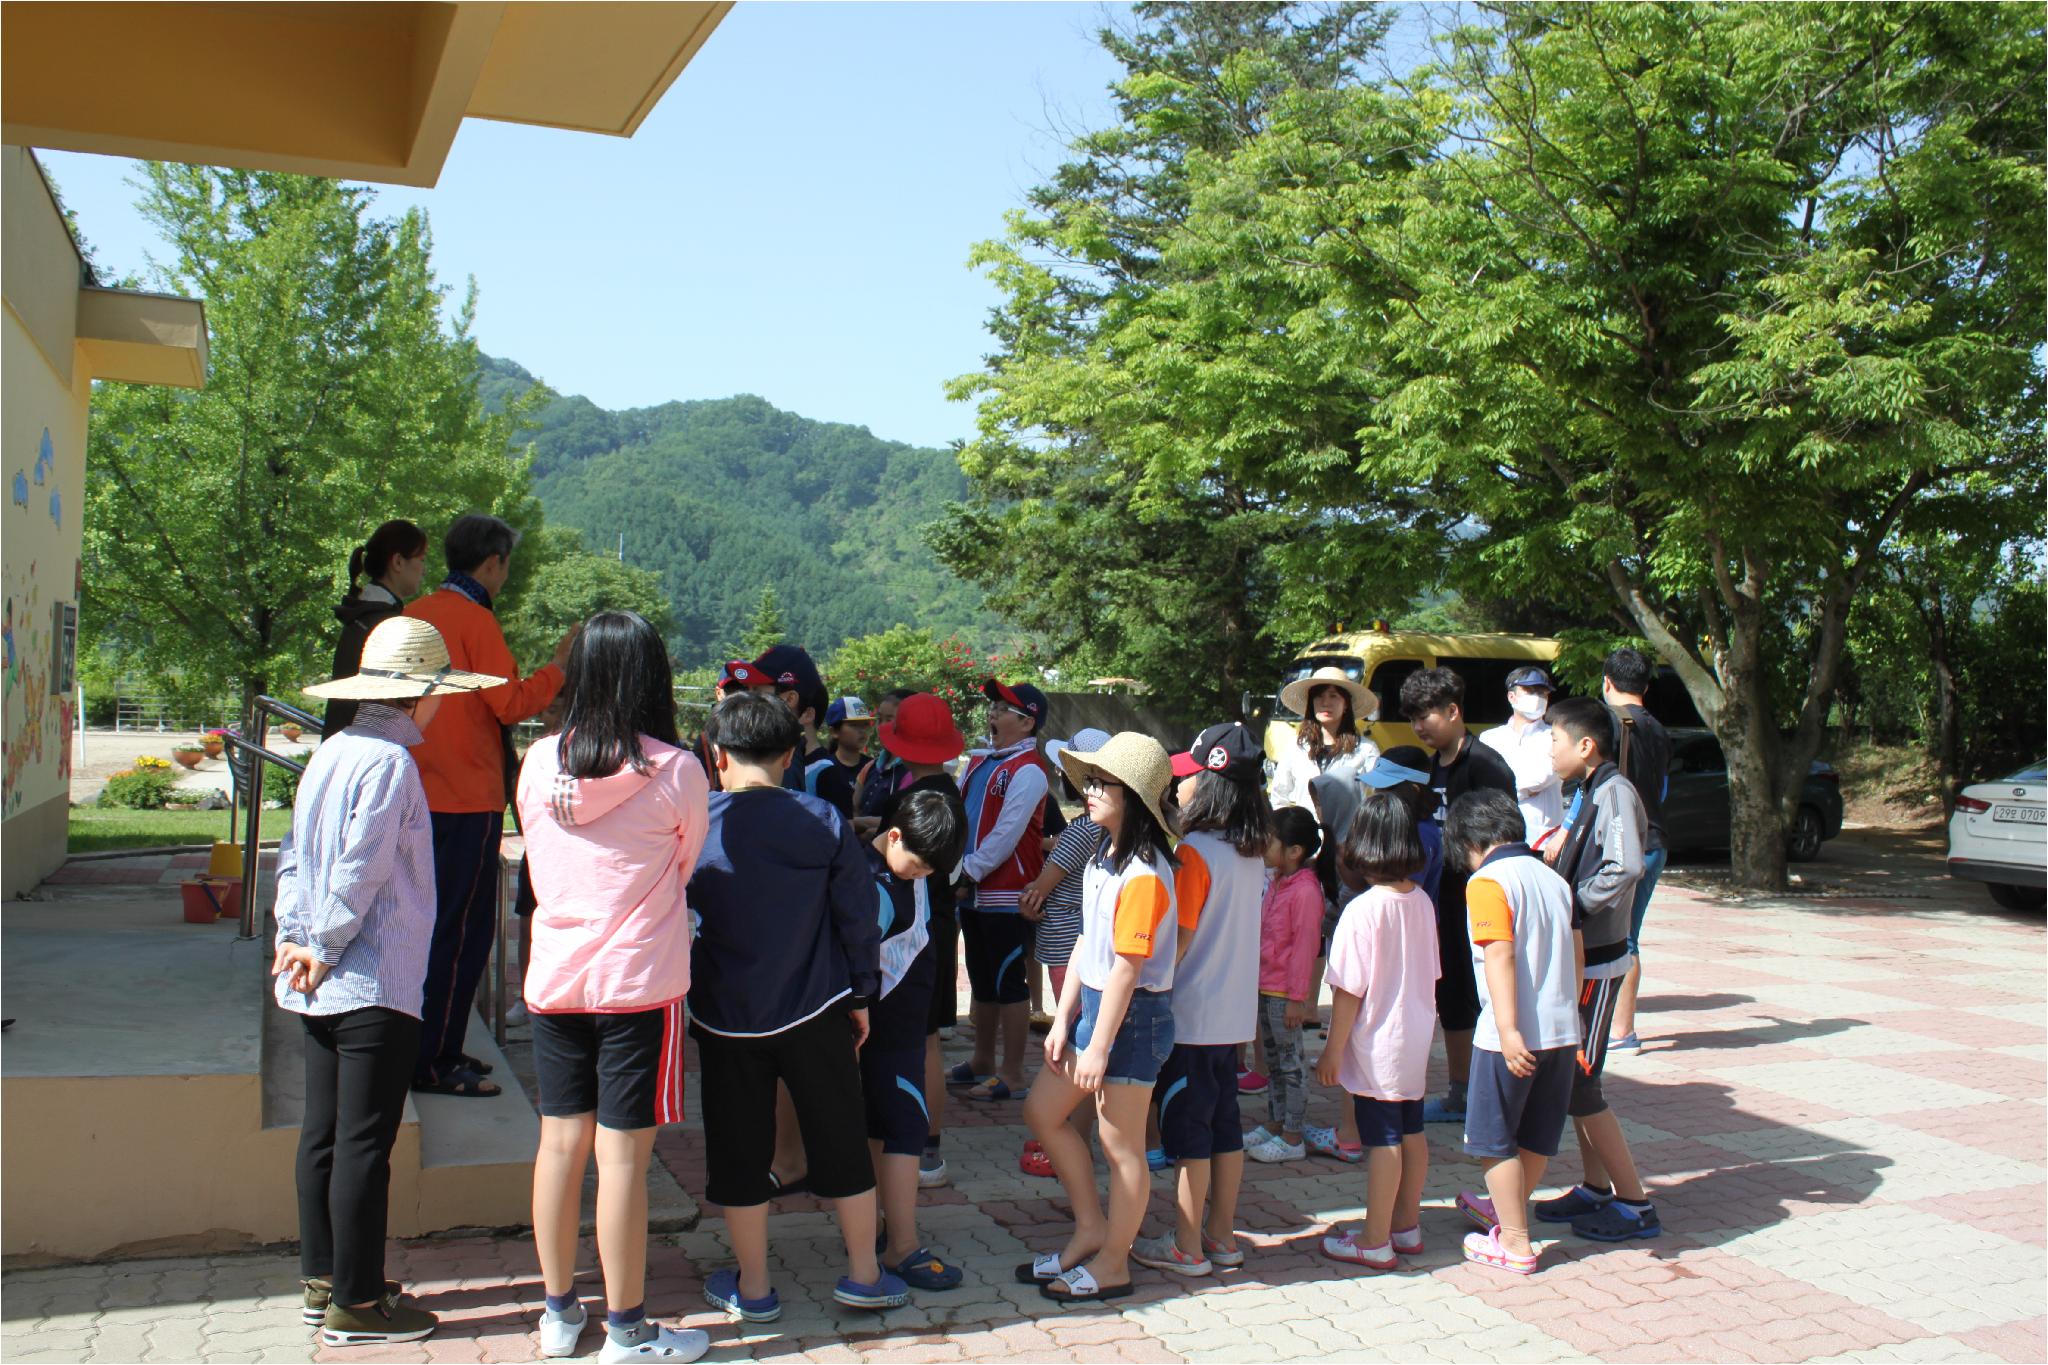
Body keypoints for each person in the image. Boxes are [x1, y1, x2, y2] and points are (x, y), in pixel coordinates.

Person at [283, 617, 506, 1346]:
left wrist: (295, 935)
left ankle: (326, 1280)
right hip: (372, 974)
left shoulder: (332, 752)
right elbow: (363, 864)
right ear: (423, 695)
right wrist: (322, 939)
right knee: (363, 1145)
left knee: (324, 1134)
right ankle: (356, 1301)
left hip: (320, 975)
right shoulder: (389, 764)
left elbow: (294, 856)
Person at [514, 612, 711, 1364]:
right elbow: (687, 862)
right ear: (652, 675)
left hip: (556, 976)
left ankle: (559, 1313)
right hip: (639, 982)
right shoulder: (678, 769)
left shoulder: (534, 764)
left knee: (559, 1143)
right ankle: (628, 1329)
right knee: (623, 1158)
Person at [684, 692, 907, 1320]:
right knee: (839, 1135)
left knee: (738, 1148)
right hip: (820, 1006)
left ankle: (753, 1289)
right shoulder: (824, 819)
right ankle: (864, 1274)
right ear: (790, 754)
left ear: (716, 755)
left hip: (724, 1015)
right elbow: (856, 918)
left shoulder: (699, 822)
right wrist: (861, 995)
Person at [407, 514, 575, 1097]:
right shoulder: (475, 620)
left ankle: (434, 1046)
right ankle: (435, 1058)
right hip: (466, 797)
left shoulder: (414, 613)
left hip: (414, 790)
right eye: (507, 565)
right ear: (492, 563)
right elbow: (512, 705)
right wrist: (560, 664)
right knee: (462, 931)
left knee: (424, 926)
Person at [1021, 731, 1178, 1304]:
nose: (1086, 791)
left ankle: (1114, 1261)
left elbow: (1126, 971)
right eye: (1087, 781)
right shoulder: (1100, 855)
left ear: (1133, 795)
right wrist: (1064, 1022)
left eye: (1100, 783)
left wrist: (1098, 1045)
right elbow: (1090, 946)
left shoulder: (1143, 872)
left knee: (1122, 1148)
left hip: (1132, 1021)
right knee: (1042, 1111)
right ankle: (1091, 1229)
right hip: (1099, 1013)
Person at [1133, 723, 1272, 1279]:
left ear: (1210, 784)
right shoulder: (1252, 851)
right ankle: (1221, 1234)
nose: (1181, 790)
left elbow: (1181, 940)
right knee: (1225, 1128)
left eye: (1188, 779)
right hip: (1233, 1017)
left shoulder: (1192, 852)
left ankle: (1186, 1244)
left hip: (1189, 1016)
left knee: (1188, 1136)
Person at [1533, 696, 1661, 1243]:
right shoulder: (1588, 790)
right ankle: (1595, 1188)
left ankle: (1636, 1205)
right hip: (1581, 955)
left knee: (1581, 1082)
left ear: (1585, 746)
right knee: (1579, 1082)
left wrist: (1573, 902)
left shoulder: (1614, 792)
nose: (1550, 750)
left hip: (1599, 960)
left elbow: (1626, 865)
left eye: (1555, 741)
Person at [1443, 790, 1580, 1276]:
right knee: (1538, 1135)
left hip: (1510, 1032)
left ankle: (1516, 1243)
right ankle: (1508, 1215)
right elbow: (1576, 952)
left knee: (1493, 1138)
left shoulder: (1487, 881)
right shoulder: (1554, 879)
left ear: (1467, 841)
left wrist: (1507, 1029)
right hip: (1562, 1031)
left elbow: (1497, 952)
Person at [1316, 792, 1440, 1271]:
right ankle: (1405, 1225)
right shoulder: (1422, 901)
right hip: (1413, 1037)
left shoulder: (1363, 910)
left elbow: (1348, 990)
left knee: (1383, 1138)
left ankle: (1373, 1237)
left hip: (1377, 1041)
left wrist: (1332, 1050)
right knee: (1412, 1129)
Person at [860, 788, 970, 1292]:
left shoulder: (901, 861)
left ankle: (883, 1234)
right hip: (882, 1030)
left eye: (933, 872)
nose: (923, 875)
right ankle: (902, 1246)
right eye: (920, 866)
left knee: (888, 1130)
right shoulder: (872, 883)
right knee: (903, 1128)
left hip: (903, 1025)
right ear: (895, 835)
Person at [1399, 666, 1517, 1124]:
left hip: (1482, 902)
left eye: (1426, 715)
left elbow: (1507, 837)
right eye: (1412, 718)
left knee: (1488, 993)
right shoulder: (1430, 767)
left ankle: (1492, 1094)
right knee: (1452, 996)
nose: (1419, 726)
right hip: (1442, 901)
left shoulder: (1486, 765)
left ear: (1454, 711)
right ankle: (1460, 1092)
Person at [867, 693, 969, 1190]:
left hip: (916, 932)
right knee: (921, 1038)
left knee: (921, 1039)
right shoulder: (945, 790)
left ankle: (924, 1143)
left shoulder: (914, 799)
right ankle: (919, 1140)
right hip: (934, 923)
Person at [948, 679, 1051, 1103]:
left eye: (1002, 709)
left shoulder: (1028, 770)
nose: (992, 715)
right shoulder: (979, 761)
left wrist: (967, 871)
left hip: (1005, 893)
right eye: (992, 707)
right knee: (982, 981)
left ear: (1027, 722)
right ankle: (982, 1060)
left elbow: (1007, 832)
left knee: (1010, 983)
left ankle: (1014, 1072)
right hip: (973, 892)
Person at [1014, 728, 1110, 1181]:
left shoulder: (1079, 832)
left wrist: (1025, 898)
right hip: (1089, 941)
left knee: (1070, 1036)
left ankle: (1070, 1135)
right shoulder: (1106, 830)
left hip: (1064, 944)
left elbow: (1038, 892)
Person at [1600, 647, 1672, 1050]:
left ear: (1607, 681)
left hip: (1623, 841)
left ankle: (1621, 1030)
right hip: (1654, 840)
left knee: (1620, 937)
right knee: (1628, 934)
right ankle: (1618, 1026)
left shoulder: (1611, 723)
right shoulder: (1659, 729)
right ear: (1645, 685)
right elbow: (1661, 788)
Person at [1245, 807, 1322, 1164]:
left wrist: (1298, 999)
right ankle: (1275, 1124)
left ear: (1295, 851)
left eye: (1271, 839)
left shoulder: (1305, 891)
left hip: (1283, 994)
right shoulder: (1277, 880)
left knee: (1291, 1064)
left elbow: (1306, 947)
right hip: (1266, 985)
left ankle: (1293, 1135)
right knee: (1274, 1063)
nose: (1264, 844)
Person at [324, 519, 429, 736]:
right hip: (368, 750)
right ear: (398, 562)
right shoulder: (386, 624)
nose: (424, 570)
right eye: (421, 559)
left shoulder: (363, 614)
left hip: (346, 745)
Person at [1268, 667, 1380, 813]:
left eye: (1333, 696)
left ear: (1346, 704)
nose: (1326, 702)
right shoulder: (1295, 748)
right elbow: (1279, 796)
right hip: (1306, 834)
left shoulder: (1366, 749)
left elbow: (1380, 794)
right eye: (1319, 696)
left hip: (1350, 835)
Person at [1479, 667, 1563, 844]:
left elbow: (1541, 777)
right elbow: (1484, 784)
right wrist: (1524, 790)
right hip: (1499, 838)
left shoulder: (1556, 735)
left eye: (1542, 693)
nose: (1537, 697)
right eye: (1530, 691)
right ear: (1512, 697)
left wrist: (1503, 788)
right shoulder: (1490, 738)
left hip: (1543, 841)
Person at [749, 644, 828, 787]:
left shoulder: (822, 773)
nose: (746, 700)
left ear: (790, 699)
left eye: (756, 692)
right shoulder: (773, 757)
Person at [695, 660, 775, 793]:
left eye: (750, 690)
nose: (744, 698)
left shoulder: (771, 735)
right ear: (718, 693)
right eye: (734, 690)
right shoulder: (705, 742)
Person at [853, 688, 922, 831]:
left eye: (889, 720)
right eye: (879, 719)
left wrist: (855, 823)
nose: (881, 726)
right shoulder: (870, 767)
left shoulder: (915, 771)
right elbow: (853, 806)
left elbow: (902, 822)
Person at [805, 696, 873, 816]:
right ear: (834, 732)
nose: (862, 730)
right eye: (854, 725)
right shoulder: (823, 768)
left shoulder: (873, 768)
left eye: (866, 724)